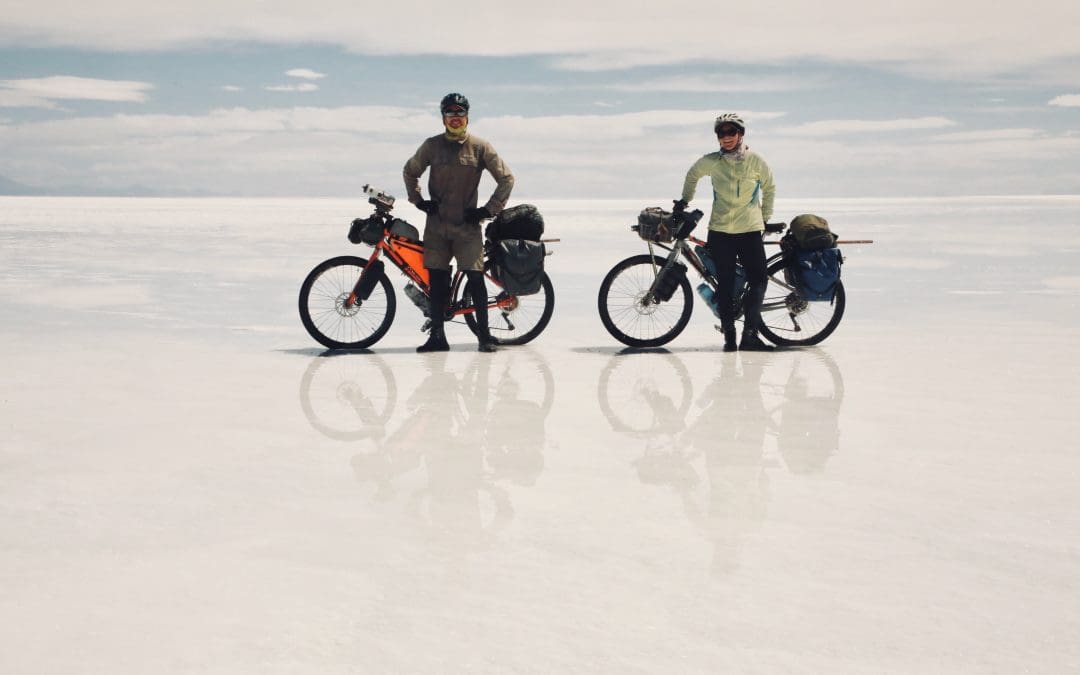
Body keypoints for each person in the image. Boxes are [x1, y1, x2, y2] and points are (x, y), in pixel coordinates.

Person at [403, 92, 515, 353]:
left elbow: (506, 178)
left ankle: (484, 337)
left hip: (467, 228)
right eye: (450, 114)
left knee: (476, 279)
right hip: (437, 226)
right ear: (443, 118)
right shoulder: (432, 146)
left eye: (459, 113)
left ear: (467, 116)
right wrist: (419, 201)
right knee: (438, 281)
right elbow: (410, 171)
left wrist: (487, 209)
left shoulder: (480, 147)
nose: (455, 118)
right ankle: (438, 338)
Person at [674, 113, 776, 352]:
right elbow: (693, 175)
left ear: (741, 134)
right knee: (726, 284)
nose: (726, 137)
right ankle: (729, 336)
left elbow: (770, 187)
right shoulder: (712, 162)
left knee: (759, 280)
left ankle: (749, 335)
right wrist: (684, 201)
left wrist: (765, 218)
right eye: (722, 133)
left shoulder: (756, 161)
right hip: (720, 231)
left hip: (750, 230)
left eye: (731, 132)